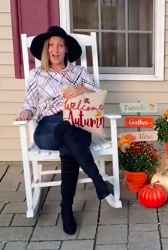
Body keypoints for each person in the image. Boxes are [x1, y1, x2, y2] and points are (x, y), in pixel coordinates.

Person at [16, 26, 114, 235]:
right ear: (46, 48)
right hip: (48, 128)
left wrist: (82, 89)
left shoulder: (78, 72)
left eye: (60, 45)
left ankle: (66, 208)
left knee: (69, 143)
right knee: (67, 136)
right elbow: (30, 103)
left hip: (77, 123)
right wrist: (25, 113)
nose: (55, 49)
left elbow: (98, 94)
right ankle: (98, 182)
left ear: (66, 49)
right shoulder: (37, 75)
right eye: (51, 45)